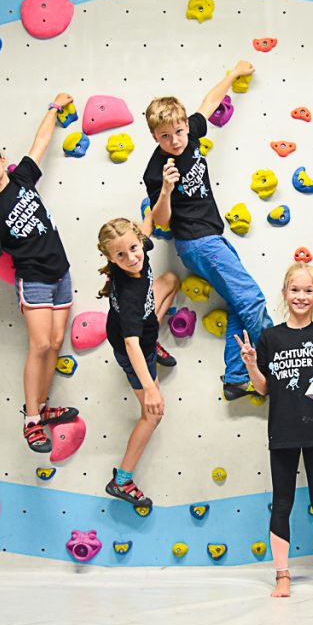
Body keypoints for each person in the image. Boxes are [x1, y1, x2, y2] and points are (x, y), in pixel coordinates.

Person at [142, 61, 272, 401]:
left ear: (186, 125)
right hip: (197, 243)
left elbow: (208, 103)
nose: (174, 141)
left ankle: (235, 377)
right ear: (154, 137)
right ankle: (284, 359)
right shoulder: (156, 170)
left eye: (179, 132)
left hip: (213, 238)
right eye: (165, 137)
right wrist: (167, 191)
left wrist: (231, 75)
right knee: (252, 300)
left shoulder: (192, 133)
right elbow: (159, 221)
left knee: (238, 306)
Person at [0, 92, 80, 453]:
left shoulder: (22, 179)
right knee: (41, 345)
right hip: (33, 279)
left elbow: (42, 141)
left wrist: (53, 108)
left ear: (2, 159)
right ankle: (31, 418)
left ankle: (45, 407)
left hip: (61, 272)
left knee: (56, 341)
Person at [235, 263, 313, 597]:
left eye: (307, 291)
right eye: (295, 290)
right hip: (282, 432)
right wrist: (252, 365)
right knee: (282, 503)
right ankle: (282, 576)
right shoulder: (271, 337)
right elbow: (264, 389)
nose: (301, 296)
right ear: (284, 294)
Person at [96, 217, 180, 510]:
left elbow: (146, 225)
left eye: (134, 248)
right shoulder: (131, 296)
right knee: (153, 414)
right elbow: (131, 345)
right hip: (134, 348)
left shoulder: (137, 246)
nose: (132, 258)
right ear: (109, 257)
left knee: (171, 281)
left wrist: (166, 191)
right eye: (121, 255)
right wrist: (151, 389)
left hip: (139, 331)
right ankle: (122, 479)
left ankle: (153, 339)